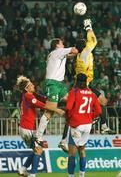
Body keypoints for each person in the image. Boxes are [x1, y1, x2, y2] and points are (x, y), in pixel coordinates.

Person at [58, 18, 111, 152]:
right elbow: (93, 40)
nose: (87, 43)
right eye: (85, 43)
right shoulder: (85, 53)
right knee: (101, 102)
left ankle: (64, 139)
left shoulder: (80, 55)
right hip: (83, 86)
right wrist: (88, 27)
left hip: (81, 84)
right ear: (84, 46)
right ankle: (102, 125)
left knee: (99, 103)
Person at [16, 75, 64, 177]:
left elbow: (43, 99)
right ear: (26, 88)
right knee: (39, 149)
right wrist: (56, 110)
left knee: (36, 149)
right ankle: (32, 175)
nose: (33, 85)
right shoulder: (28, 96)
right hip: (27, 128)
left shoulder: (29, 95)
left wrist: (53, 99)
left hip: (25, 128)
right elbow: (42, 105)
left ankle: (23, 169)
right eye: (31, 85)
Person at [34, 38, 78, 143]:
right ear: (57, 45)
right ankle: (38, 135)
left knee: (72, 101)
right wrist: (83, 46)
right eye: (62, 42)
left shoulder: (56, 54)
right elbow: (74, 50)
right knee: (50, 109)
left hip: (59, 84)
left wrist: (82, 52)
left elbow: (72, 54)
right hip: (52, 83)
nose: (63, 43)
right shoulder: (58, 51)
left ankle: (70, 133)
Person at [66, 73, 102, 177]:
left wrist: (69, 119)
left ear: (77, 81)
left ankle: (71, 176)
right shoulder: (91, 93)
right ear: (86, 82)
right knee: (82, 150)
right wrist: (90, 117)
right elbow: (99, 111)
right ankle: (82, 175)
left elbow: (68, 108)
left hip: (76, 124)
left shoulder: (74, 92)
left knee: (72, 153)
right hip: (87, 125)